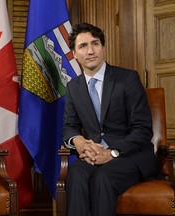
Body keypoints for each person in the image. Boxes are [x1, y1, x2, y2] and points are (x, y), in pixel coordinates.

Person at [62, 23, 157, 216]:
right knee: (76, 175)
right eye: (83, 46)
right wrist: (78, 141)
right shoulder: (74, 87)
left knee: (102, 178)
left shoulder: (128, 79)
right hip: (93, 155)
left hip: (129, 156)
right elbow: (69, 127)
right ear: (74, 54)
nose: (90, 51)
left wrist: (112, 153)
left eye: (95, 44)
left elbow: (143, 129)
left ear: (103, 48)